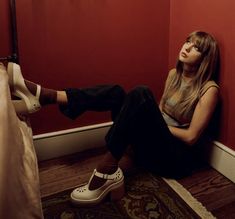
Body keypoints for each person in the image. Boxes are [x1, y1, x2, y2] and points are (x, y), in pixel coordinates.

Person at [5, 30, 220, 205]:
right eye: (187, 42)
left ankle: (105, 171)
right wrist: (146, 120)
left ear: (205, 58)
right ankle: (49, 96)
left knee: (141, 92)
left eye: (196, 47)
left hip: (174, 160)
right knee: (117, 92)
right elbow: (160, 110)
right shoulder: (174, 74)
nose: (187, 48)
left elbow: (191, 137)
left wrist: (153, 123)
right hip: (154, 146)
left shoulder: (209, 89)